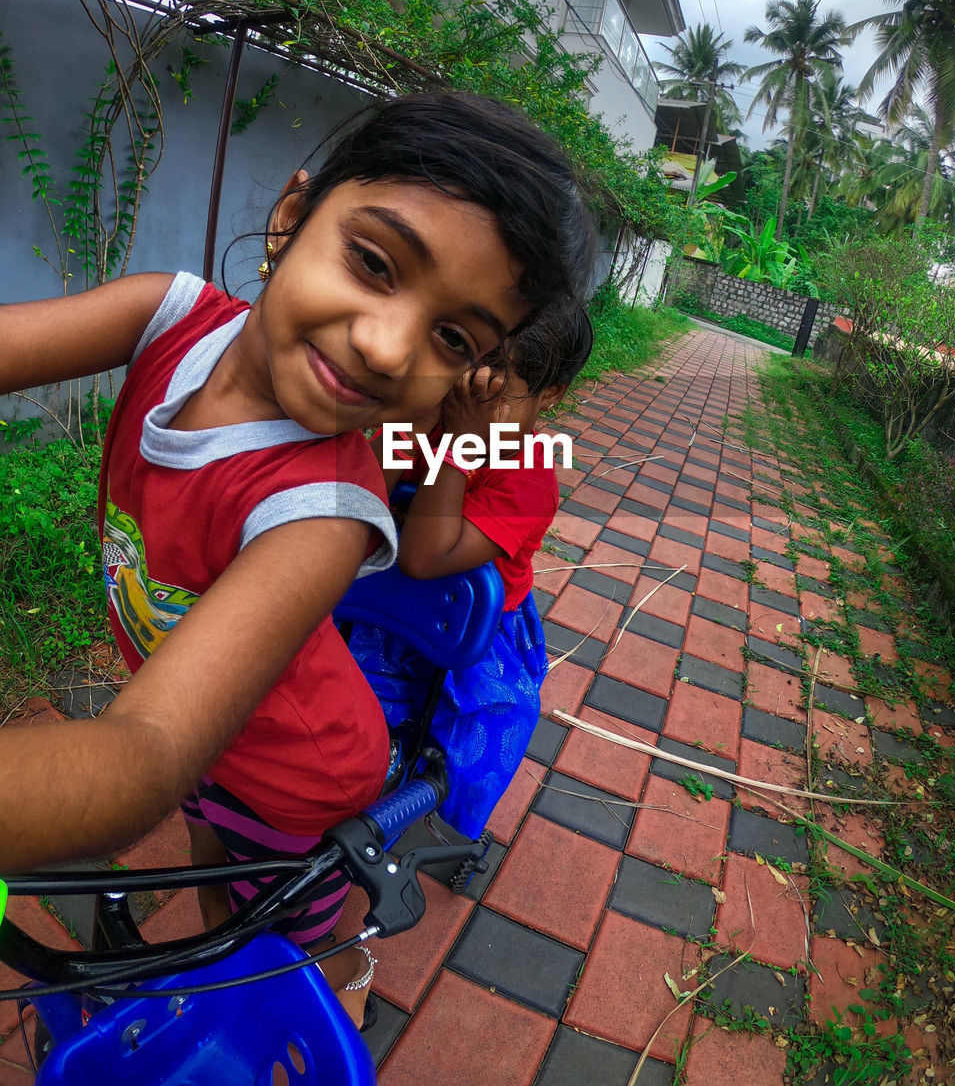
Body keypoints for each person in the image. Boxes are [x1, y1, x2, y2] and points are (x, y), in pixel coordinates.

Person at [0, 92, 595, 1023]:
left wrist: (461, 441)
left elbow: (143, 755)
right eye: (373, 261)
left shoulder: (326, 513)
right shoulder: (167, 314)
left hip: (294, 774)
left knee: (286, 952)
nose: (387, 345)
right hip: (209, 717)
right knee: (217, 880)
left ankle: (337, 1001)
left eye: (453, 339)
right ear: (291, 215)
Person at [351, 306, 594, 841]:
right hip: (377, 612)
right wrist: (417, 422)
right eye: (466, 375)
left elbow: (426, 557)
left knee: (470, 737)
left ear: (548, 394)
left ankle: (431, 812)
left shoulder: (528, 479)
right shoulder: (435, 422)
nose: (472, 400)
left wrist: (459, 449)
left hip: (469, 635)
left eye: (497, 388)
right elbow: (356, 494)